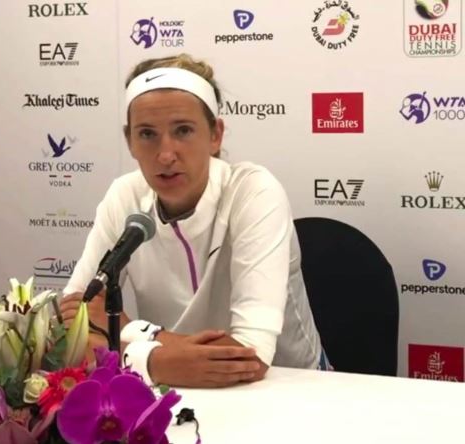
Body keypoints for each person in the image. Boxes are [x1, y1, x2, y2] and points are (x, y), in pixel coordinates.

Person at [60, 54, 324, 388]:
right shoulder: (124, 195)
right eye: (147, 134)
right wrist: (164, 359)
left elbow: (250, 357)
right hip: (174, 388)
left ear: (216, 135)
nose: (165, 154)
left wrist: (130, 332)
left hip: (290, 386)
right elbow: (72, 326)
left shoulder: (253, 191)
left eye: (183, 130)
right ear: (130, 142)